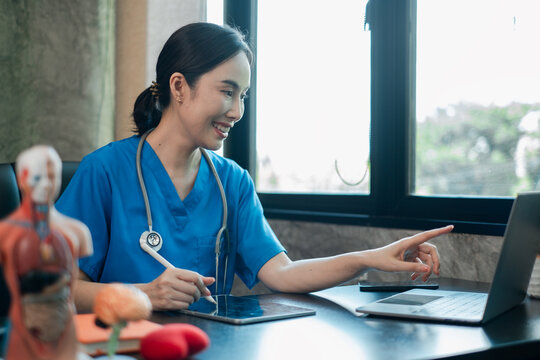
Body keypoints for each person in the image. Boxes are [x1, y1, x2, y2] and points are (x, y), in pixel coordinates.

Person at [56, 22, 453, 313]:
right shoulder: (103, 172)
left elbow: (283, 273)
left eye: (243, 95)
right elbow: (58, 288)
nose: (238, 111)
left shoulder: (232, 181)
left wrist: (370, 258)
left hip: (210, 348)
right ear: (178, 87)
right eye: (227, 92)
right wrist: (142, 294)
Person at [0, 145, 92, 360]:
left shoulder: (78, 232)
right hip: (22, 327)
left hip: (67, 327)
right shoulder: (4, 233)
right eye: (38, 177)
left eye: (52, 177)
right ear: (22, 179)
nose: (46, 185)